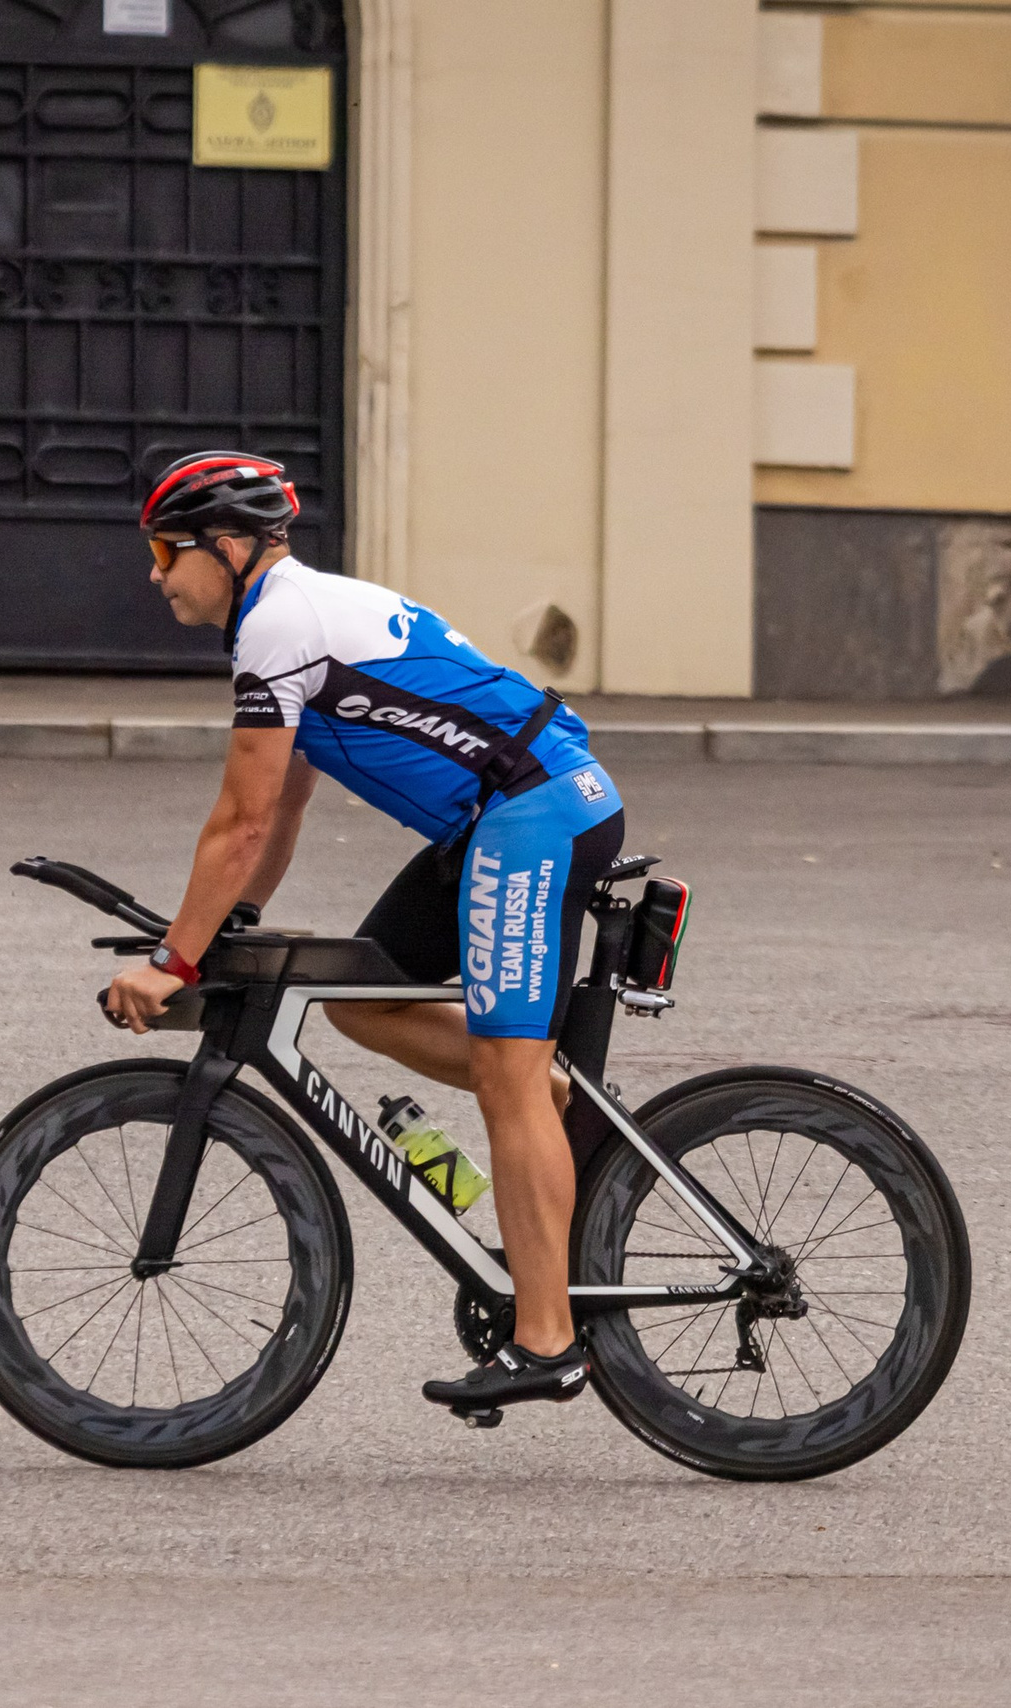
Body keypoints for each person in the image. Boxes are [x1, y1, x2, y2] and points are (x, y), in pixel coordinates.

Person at [100, 451, 625, 1419]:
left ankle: (547, 1338)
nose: (155, 572)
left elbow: (240, 819)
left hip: (534, 812)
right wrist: (231, 926)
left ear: (226, 546)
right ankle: (559, 1106)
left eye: (166, 550)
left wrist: (176, 960)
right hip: (500, 818)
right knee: (366, 1001)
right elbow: (282, 813)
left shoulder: (277, 626)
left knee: (504, 1075)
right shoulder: (288, 619)